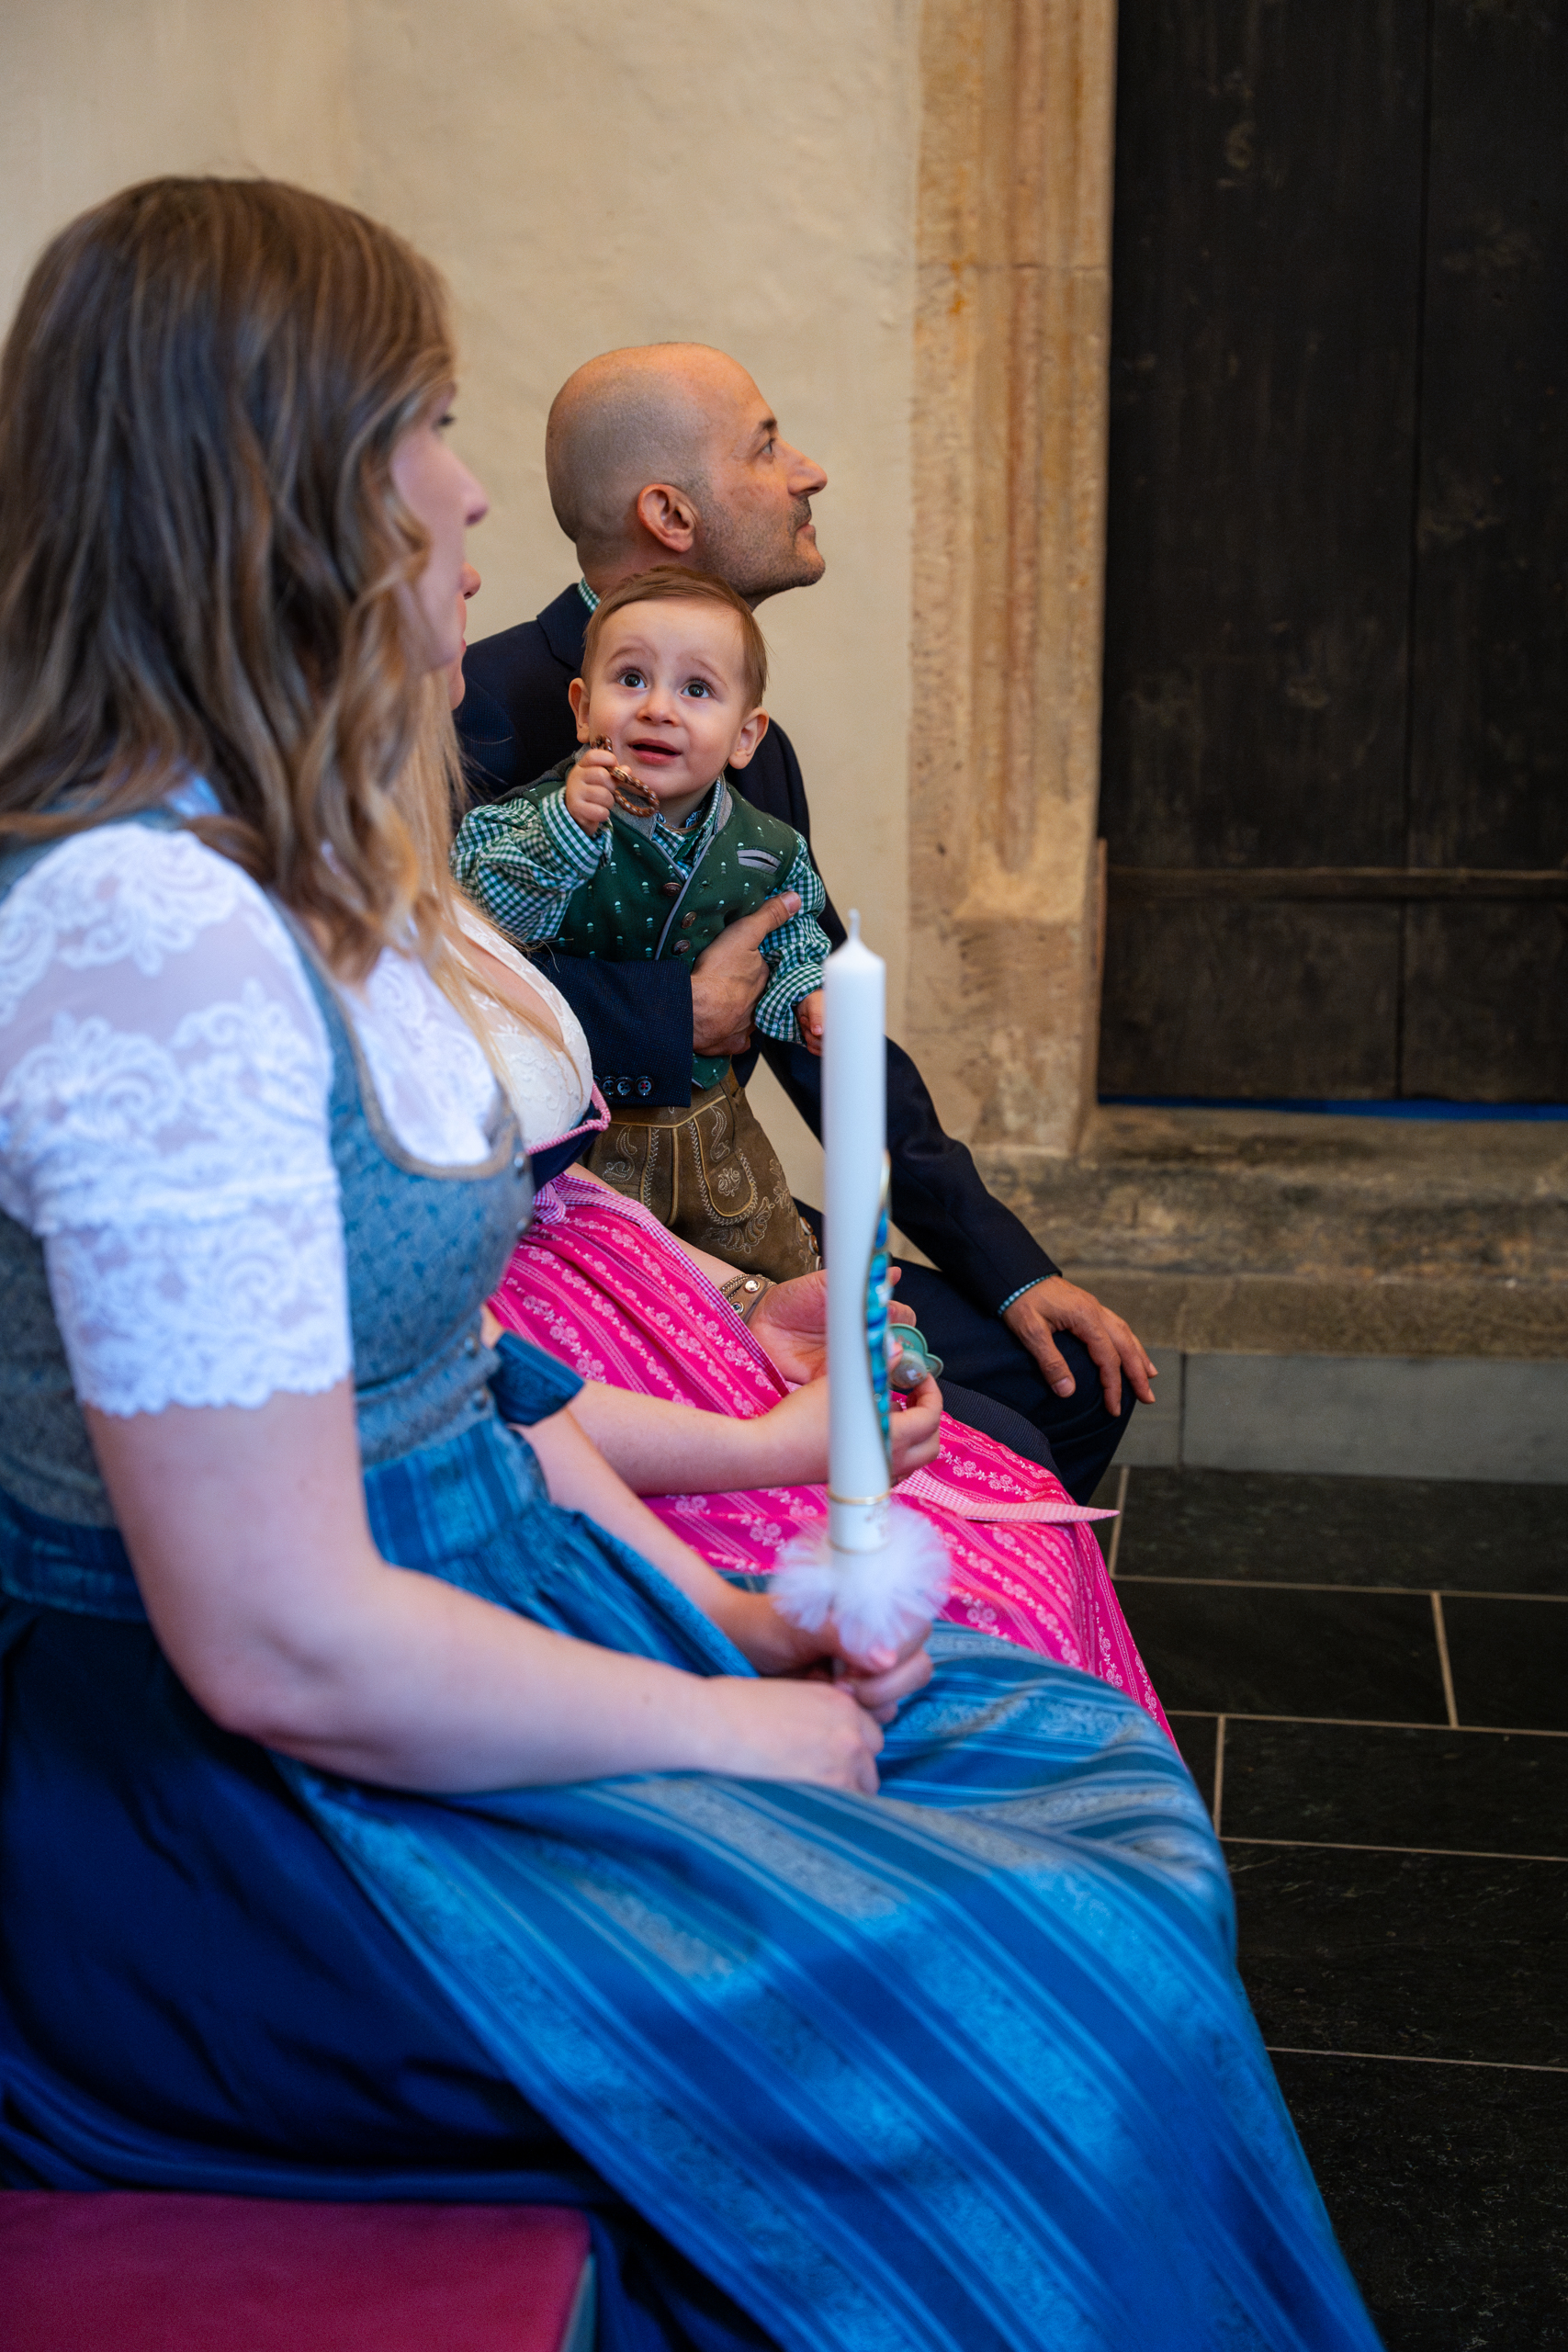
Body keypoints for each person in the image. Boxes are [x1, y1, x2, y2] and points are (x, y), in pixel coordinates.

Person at [0, 177, 1381, 2352]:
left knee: (1082, 1776)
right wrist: (734, 1728)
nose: (467, 493)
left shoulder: (279, 862)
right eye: (420, 425)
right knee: (1060, 1980)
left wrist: (735, 1604)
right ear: (272, 490)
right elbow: (275, 1634)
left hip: (468, 1625)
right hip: (254, 1826)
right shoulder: (138, 932)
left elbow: (444, 1395)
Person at [457, 343, 1159, 1503]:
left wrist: (1010, 1269)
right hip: (570, 1233)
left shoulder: (756, 746)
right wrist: (671, 1013)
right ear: (670, 514)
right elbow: (418, 984)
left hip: (732, 1199)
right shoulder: (473, 711)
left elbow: (818, 1013)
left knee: (1074, 1387)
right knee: (995, 1451)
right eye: (768, 446)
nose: (808, 472)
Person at [454, 568, 829, 1283]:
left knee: (773, 1275)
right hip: (585, 1140)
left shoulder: (768, 847)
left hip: (713, 1128)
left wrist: (807, 994)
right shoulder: (526, 823)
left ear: (744, 736)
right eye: (630, 679)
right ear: (581, 709)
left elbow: (791, 934)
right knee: (619, 1289)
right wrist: (565, 831)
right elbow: (483, 920)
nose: (658, 709)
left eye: (697, 690)